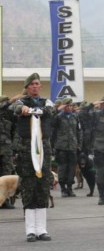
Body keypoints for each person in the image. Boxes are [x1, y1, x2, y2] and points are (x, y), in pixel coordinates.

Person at [12, 73, 54, 241]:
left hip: (43, 149)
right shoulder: (21, 102)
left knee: (43, 186)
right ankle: (30, 229)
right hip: (26, 150)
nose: (35, 86)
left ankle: (42, 229)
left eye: (38, 84)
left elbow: (50, 110)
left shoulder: (47, 102)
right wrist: (23, 110)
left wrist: (37, 110)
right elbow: (14, 108)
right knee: (29, 186)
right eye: (32, 84)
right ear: (27, 87)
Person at [51, 97, 82, 197]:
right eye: (67, 105)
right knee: (62, 168)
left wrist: (79, 144)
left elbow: (79, 131)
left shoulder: (75, 116)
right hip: (61, 146)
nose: (69, 107)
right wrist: (53, 146)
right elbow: (52, 127)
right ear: (63, 106)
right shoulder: (58, 117)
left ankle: (70, 188)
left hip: (72, 146)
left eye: (71, 106)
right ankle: (63, 188)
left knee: (72, 168)